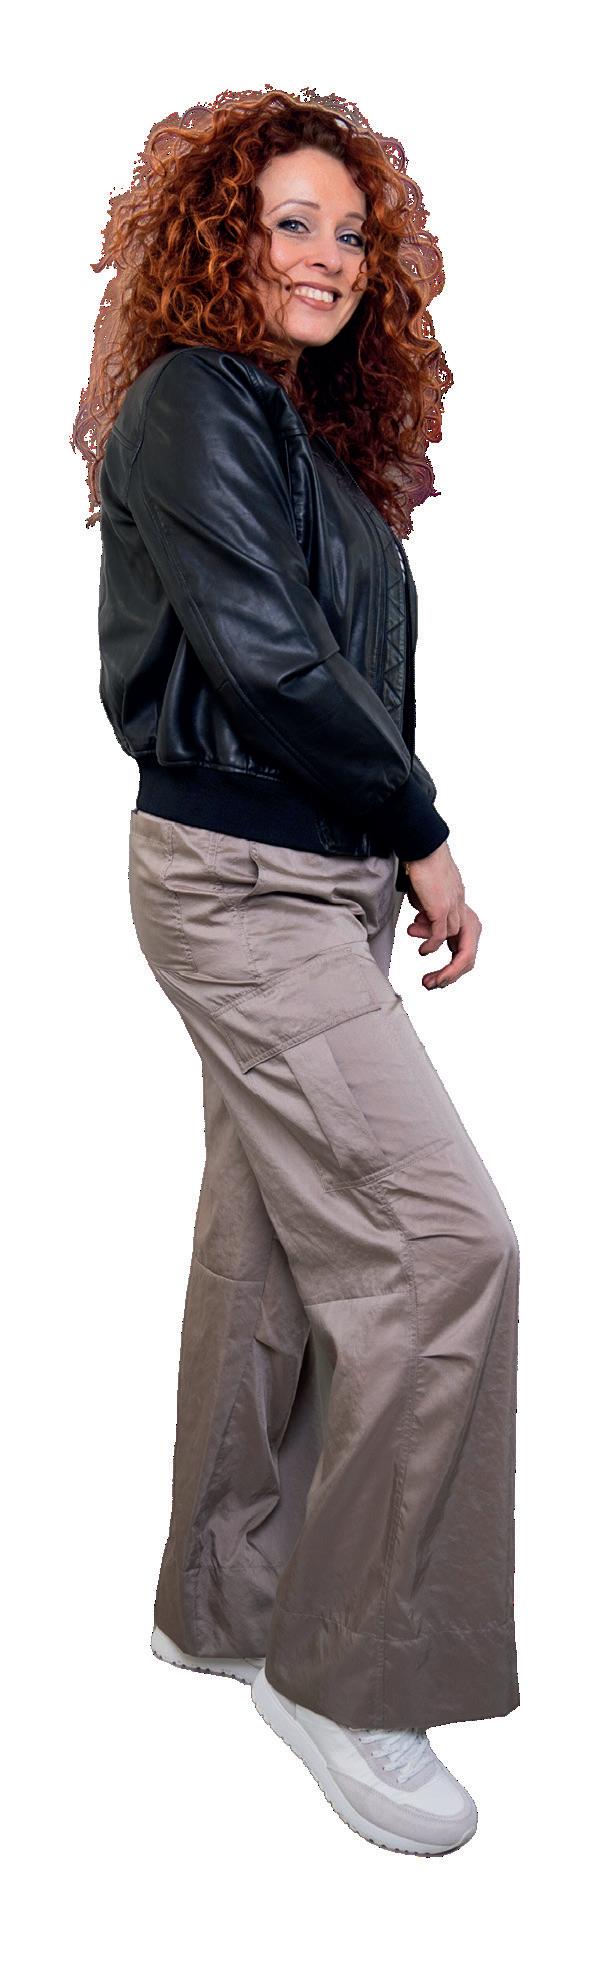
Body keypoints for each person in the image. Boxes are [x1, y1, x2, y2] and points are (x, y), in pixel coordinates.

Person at [76, 85, 520, 1857]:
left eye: (348, 229)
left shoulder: (289, 428)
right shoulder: (192, 401)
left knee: (266, 1241)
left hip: (310, 883)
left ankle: (226, 1603)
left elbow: (324, 660)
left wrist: (381, 846)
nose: (325, 254)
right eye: (288, 222)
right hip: (245, 881)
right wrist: (421, 829)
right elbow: (265, 663)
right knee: (443, 1247)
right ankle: (349, 1672)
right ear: (219, 239)